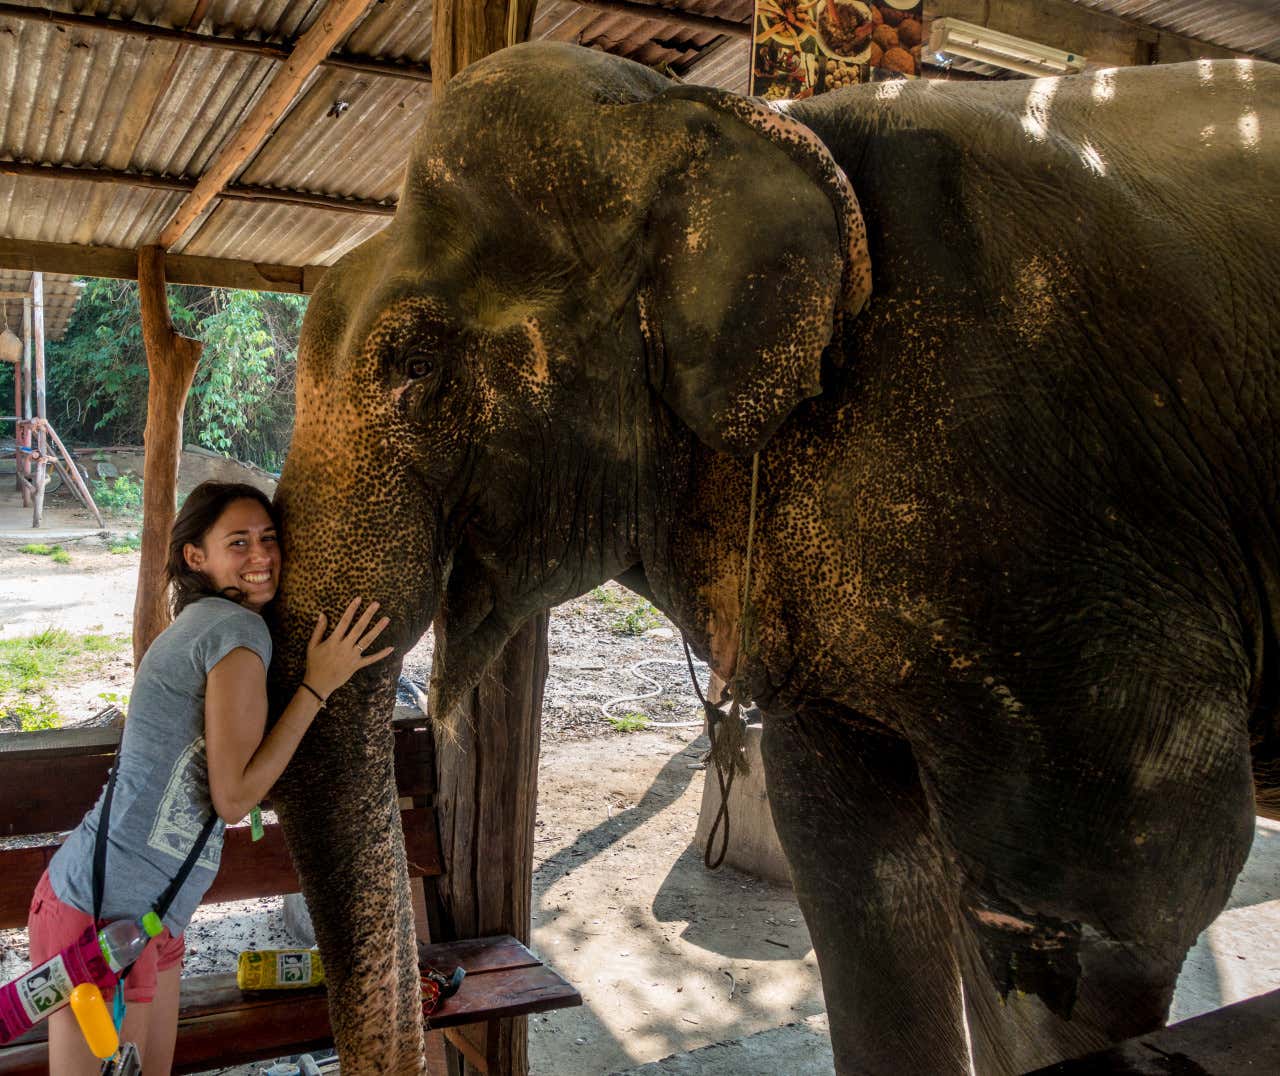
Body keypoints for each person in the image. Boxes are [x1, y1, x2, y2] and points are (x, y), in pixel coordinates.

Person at [25, 481, 392, 1074]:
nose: (261, 557)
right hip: (100, 917)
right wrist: (319, 684)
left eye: (269, 539)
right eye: (239, 542)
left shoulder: (207, 622)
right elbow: (233, 798)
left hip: (145, 918)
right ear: (196, 557)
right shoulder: (236, 632)